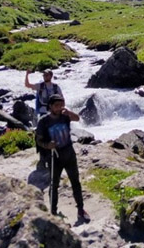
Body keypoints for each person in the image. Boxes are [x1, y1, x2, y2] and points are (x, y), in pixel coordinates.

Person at [35, 94, 90, 223]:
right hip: (54, 156)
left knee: (75, 182)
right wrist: (47, 145)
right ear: (50, 106)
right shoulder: (44, 121)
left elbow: (77, 118)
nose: (59, 108)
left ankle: (81, 209)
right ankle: (53, 211)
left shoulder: (65, 116)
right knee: (54, 184)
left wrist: (69, 112)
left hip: (69, 153)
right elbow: (38, 139)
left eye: (61, 105)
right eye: (57, 105)